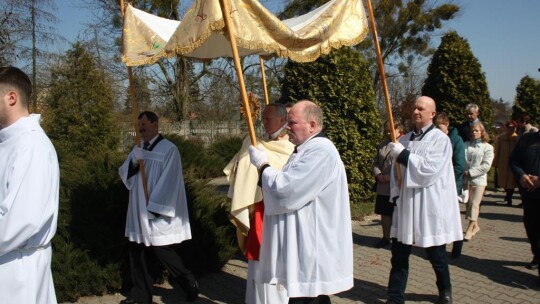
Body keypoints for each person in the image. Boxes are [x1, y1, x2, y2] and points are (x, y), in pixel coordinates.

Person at [248, 100, 353, 303]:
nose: (287, 127)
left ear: (312, 125)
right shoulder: (304, 149)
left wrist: (262, 165)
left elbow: (287, 189)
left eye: (292, 122)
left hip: (311, 244)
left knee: (308, 297)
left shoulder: (321, 151)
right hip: (303, 242)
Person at [386, 96, 463, 304]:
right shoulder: (403, 140)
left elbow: (429, 171)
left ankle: (445, 290)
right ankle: (395, 297)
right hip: (406, 206)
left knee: (436, 255)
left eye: (421, 108)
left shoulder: (440, 140)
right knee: (399, 256)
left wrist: (403, 156)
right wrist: (395, 192)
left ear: (432, 114)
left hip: (428, 205)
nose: (416, 112)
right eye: (414, 108)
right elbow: (396, 174)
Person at [118, 111, 198, 304]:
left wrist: (154, 206)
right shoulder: (138, 148)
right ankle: (140, 296)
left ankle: (189, 283)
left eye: (144, 124)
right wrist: (134, 161)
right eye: (139, 125)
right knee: (138, 251)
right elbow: (124, 175)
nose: (141, 128)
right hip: (138, 211)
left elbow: (170, 182)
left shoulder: (169, 149)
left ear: (156, 125)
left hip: (155, 210)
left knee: (162, 251)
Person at [0, 66, 60, 303]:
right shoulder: (10, 141)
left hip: (18, 271)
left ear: (11, 97)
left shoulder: (31, 146)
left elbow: (22, 220)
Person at [224, 103, 294, 304]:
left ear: (282, 120)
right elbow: (241, 171)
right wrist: (247, 151)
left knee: (278, 262)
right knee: (258, 259)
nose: (263, 123)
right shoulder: (257, 143)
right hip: (260, 210)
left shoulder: (292, 148)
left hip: (281, 215)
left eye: (268, 119)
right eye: (262, 118)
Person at [509, 129, 540, 279]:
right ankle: (537, 255)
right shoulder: (527, 139)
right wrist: (520, 175)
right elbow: (514, 160)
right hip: (529, 194)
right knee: (531, 228)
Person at [434, 112, 466, 258]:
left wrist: (443, 176)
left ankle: (457, 244)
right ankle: (437, 248)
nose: (438, 132)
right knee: (438, 217)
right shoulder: (434, 139)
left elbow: (460, 165)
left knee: (451, 217)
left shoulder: (456, 140)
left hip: (451, 184)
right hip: (436, 185)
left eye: (441, 128)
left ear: (447, 126)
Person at [372, 120, 403, 248]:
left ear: (398, 130)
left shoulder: (403, 145)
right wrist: (378, 174)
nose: (387, 133)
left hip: (396, 186)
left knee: (398, 213)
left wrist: (390, 177)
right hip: (383, 186)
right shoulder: (382, 145)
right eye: (386, 130)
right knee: (384, 213)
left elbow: (402, 166)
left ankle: (400, 238)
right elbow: (375, 163)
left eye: (390, 130)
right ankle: (386, 237)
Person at [463, 122, 494, 241]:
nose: (474, 132)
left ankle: (470, 228)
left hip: (478, 180)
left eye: (476, 130)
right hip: (466, 180)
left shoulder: (488, 147)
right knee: (468, 204)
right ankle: (475, 225)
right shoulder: (466, 145)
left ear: (482, 132)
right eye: (473, 130)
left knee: (475, 204)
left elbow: (486, 166)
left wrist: (471, 172)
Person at [493, 121, 518, 206]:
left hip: (513, 163)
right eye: (509, 127)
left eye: (512, 127)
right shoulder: (501, 138)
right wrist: (495, 162)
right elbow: (497, 150)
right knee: (503, 180)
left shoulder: (517, 138)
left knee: (511, 181)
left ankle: (509, 198)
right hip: (503, 162)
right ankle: (507, 194)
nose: (510, 129)